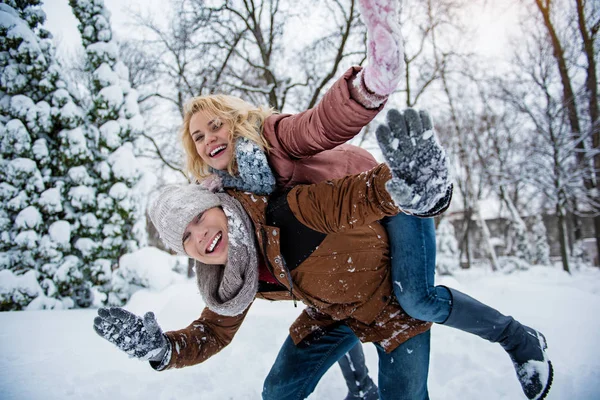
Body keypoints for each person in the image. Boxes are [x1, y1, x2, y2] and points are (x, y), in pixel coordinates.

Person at [178, 0, 553, 396]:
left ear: (236, 123)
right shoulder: (228, 201)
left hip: (388, 196)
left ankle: (519, 339)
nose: (209, 139)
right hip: (345, 238)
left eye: (215, 126)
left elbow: (319, 125)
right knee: (325, 293)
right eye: (198, 137)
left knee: (418, 301)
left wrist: (371, 84)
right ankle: (360, 386)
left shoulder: (273, 138)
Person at [94, 110, 552, 400]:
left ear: (220, 203)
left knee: (416, 298)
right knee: (278, 391)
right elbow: (211, 331)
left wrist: (412, 185)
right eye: (186, 238)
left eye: (200, 219)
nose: (200, 236)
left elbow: (345, 188)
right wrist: (162, 348)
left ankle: (519, 340)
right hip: (337, 307)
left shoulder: (280, 181)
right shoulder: (229, 275)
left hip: (394, 214)